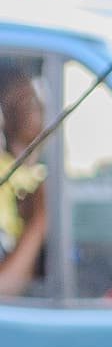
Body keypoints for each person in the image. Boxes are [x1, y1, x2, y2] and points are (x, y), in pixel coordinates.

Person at [0, 73, 50, 300]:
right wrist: (38, 219)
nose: (30, 100)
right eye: (17, 95)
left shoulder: (44, 174)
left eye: (34, 95)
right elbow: (5, 289)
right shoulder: (5, 173)